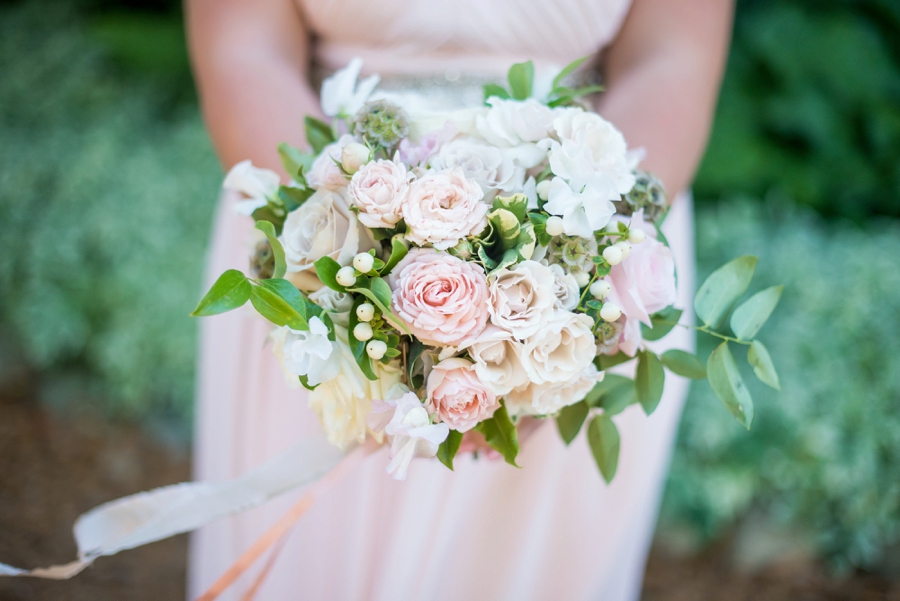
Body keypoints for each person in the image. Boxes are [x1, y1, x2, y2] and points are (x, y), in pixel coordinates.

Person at [185, 1, 733, 599]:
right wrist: (350, 264)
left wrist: (572, 283)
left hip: (583, 233)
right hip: (319, 243)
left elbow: (671, 58)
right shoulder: (329, 253)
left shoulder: (583, 277)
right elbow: (243, 49)